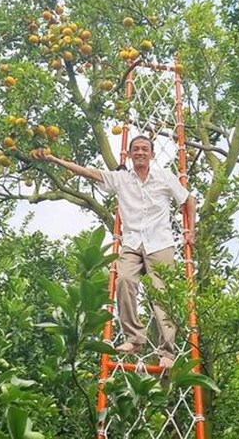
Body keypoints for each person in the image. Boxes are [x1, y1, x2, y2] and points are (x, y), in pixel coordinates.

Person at [34, 135, 196, 369]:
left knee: (162, 294)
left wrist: (190, 230)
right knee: (124, 281)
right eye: (136, 149)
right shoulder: (121, 179)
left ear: (151, 154)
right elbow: (88, 172)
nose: (140, 152)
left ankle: (167, 352)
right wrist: (55, 160)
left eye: (145, 149)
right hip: (132, 243)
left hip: (160, 242)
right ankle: (135, 337)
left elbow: (188, 199)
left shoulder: (163, 177)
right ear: (129, 155)